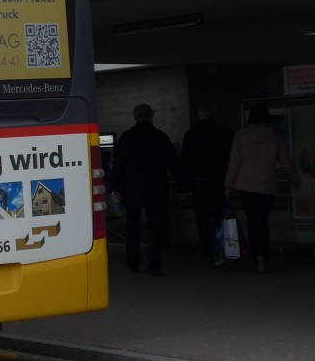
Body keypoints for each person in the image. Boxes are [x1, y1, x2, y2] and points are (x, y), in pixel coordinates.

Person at [109, 103, 187, 276]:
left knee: (132, 227)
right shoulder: (160, 137)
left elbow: (118, 164)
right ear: (150, 116)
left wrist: (114, 187)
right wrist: (182, 186)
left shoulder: (126, 137)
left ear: (135, 117)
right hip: (156, 189)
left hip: (132, 189)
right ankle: (154, 265)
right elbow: (174, 164)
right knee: (156, 228)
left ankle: (133, 263)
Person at [225, 103, 300, 273]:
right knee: (263, 222)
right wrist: (296, 181)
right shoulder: (275, 137)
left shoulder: (241, 136)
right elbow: (286, 162)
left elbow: (234, 163)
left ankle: (255, 255)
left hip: (246, 187)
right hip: (267, 186)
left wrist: (228, 185)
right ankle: (263, 256)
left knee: (252, 221)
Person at [182, 102, 234, 262]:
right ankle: (223, 248)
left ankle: (207, 250)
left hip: (199, 182)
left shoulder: (191, 135)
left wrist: (184, 185)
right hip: (220, 181)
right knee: (220, 215)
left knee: (202, 218)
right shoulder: (225, 133)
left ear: (199, 114)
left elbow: (186, 161)